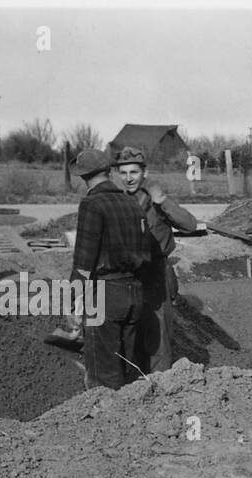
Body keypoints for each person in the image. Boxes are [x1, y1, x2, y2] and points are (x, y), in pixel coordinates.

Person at [70, 148, 150, 390]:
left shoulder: (91, 204)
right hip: (134, 293)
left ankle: (106, 423)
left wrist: (73, 301)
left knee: (103, 375)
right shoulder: (132, 202)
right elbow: (145, 254)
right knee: (129, 368)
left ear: (84, 177)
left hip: (105, 294)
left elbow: (83, 263)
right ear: (107, 171)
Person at [113, 146, 197, 373]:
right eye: (123, 173)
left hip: (156, 276)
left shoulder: (155, 200)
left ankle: (161, 391)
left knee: (158, 338)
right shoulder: (116, 202)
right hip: (127, 278)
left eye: (134, 172)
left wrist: (163, 201)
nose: (129, 178)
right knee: (130, 337)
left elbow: (190, 224)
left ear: (145, 173)